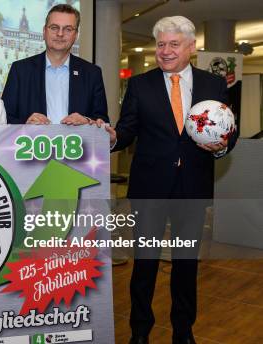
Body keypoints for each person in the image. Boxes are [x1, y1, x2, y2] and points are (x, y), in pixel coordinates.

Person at [104, 16, 236, 344]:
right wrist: (109, 137)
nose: (164, 51)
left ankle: (183, 331)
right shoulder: (140, 84)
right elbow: (127, 130)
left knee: (186, 266)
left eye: (173, 44)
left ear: (191, 47)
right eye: (161, 44)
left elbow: (229, 131)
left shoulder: (213, 85)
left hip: (192, 188)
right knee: (145, 266)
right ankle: (139, 332)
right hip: (150, 189)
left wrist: (221, 147)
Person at [2, 4, 108, 125]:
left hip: (78, 144)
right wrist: (26, 123)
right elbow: (4, 117)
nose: (60, 34)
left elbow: (102, 121)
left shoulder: (92, 73)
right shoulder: (20, 70)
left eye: (68, 29)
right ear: (44, 31)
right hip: (34, 142)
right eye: (54, 27)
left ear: (76, 35)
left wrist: (87, 121)